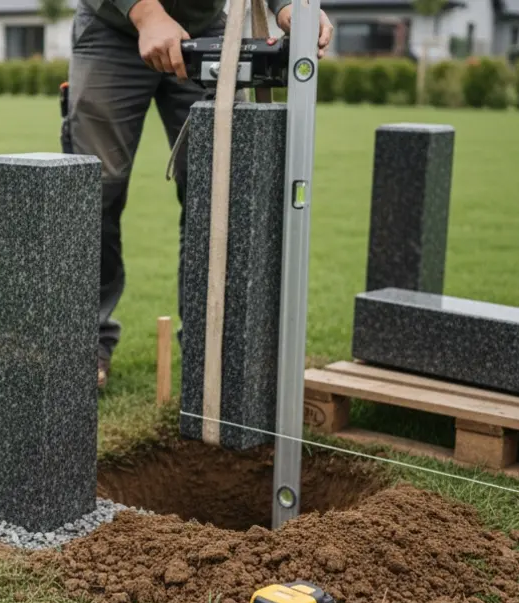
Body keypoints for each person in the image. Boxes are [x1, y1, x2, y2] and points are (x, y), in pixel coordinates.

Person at [64, 0, 333, 390]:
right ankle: (85, 343)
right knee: (92, 192)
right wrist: (146, 13)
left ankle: (210, 348)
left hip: (207, 32)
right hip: (112, 30)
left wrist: (288, 5)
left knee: (220, 190)